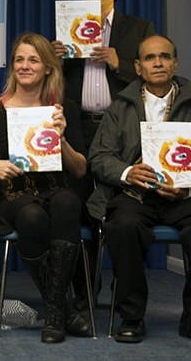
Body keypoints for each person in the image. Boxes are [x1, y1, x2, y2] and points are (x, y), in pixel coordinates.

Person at [51, 0, 155, 306]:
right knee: (79, 207)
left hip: (123, 132)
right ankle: (85, 291)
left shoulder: (139, 28)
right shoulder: (68, 26)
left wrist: (118, 63)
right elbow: (53, 84)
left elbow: (154, 77)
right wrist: (54, 59)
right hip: (79, 127)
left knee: (125, 209)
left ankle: (124, 289)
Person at [0, 33, 92, 343]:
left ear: (48, 68)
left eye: (33, 60)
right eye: (19, 60)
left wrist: (61, 139)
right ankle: (62, 309)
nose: (25, 66)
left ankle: (54, 312)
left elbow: (80, 169)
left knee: (68, 202)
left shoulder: (63, 109)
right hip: (13, 196)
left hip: (56, 191)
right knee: (32, 216)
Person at [88, 34, 191, 343]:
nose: (158, 63)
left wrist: (187, 184)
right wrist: (128, 172)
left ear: (175, 63)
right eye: (149, 58)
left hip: (183, 196)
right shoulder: (120, 105)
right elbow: (99, 157)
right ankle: (131, 316)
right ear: (137, 67)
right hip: (135, 195)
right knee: (123, 226)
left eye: (164, 56)